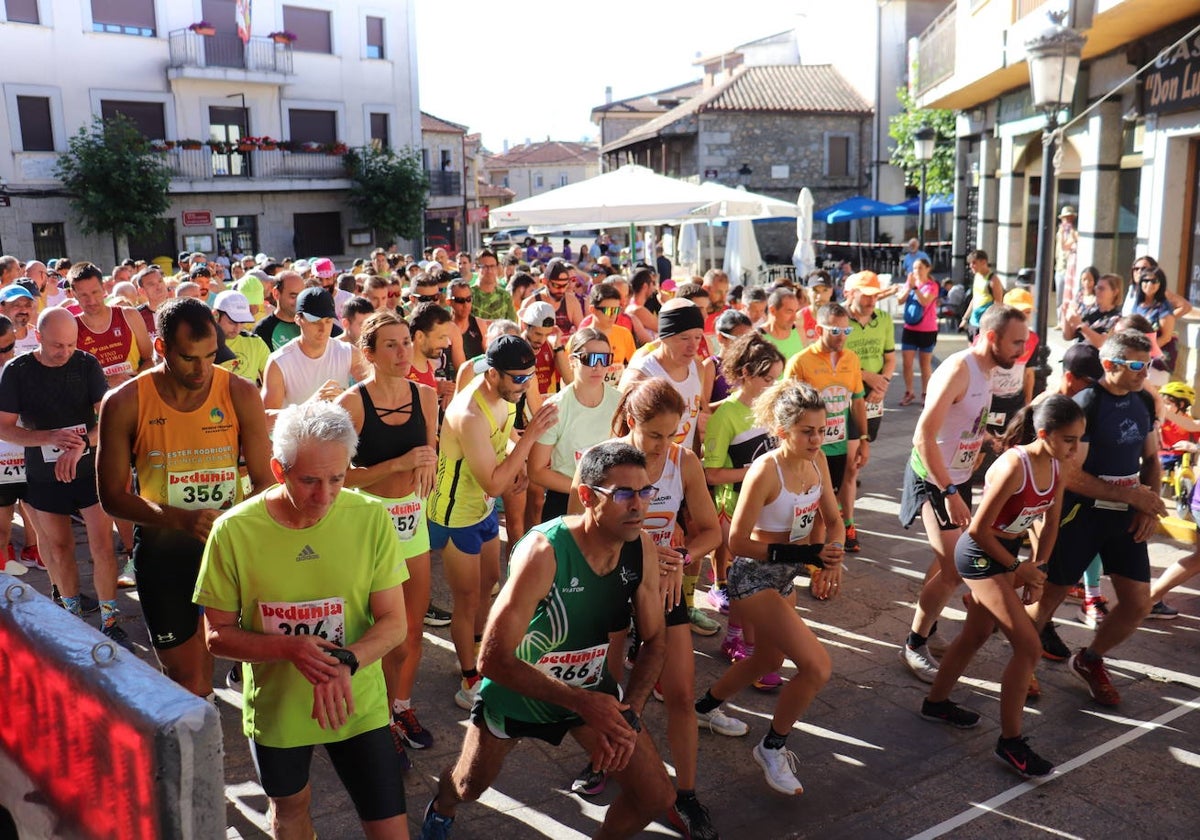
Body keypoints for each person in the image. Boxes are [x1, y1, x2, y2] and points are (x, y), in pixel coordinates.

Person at [420, 442, 674, 840]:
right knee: (469, 786)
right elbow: (492, 659)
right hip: (520, 693)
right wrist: (582, 701)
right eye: (624, 494)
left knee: (656, 796)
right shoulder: (545, 551)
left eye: (646, 492)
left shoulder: (640, 548)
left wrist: (629, 713)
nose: (639, 506)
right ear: (587, 497)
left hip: (591, 694)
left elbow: (656, 641)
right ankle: (442, 806)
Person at [195, 401, 411, 839]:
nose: (325, 495)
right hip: (279, 708)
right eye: (310, 480)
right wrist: (290, 648)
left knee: (390, 827)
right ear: (278, 470)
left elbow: (394, 622)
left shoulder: (370, 517)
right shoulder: (234, 531)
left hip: (357, 700)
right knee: (290, 810)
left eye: (338, 478)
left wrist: (347, 660)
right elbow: (216, 635)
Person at [566, 378, 725, 837]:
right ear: (632, 422)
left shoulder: (683, 460)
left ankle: (688, 795)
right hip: (612, 583)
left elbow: (711, 531)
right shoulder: (604, 458)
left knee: (679, 691)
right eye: (655, 435)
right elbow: (577, 525)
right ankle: (602, 762)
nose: (664, 445)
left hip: (664, 585)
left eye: (673, 434)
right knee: (608, 691)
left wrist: (683, 556)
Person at [96, 297, 272, 693]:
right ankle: (194, 721)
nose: (203, 369)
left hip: (225, 549)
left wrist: (226, 520)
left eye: (211, 356)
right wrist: (180, 518)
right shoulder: (124, 401)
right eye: (190, 358)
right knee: (181, 676)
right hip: (163, 553)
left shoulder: (240, 393)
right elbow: (110, 496)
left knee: (209, 655)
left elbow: (264, 481)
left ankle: (203, 717)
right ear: (161, 348)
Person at [694, 381, 844, 796]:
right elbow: (736, 542)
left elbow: (833, 519)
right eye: (807, 432)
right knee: (816, 667)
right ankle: (772, 747)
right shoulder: (766, 469)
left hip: (785, 576)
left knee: (765, 659)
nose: (817, 439)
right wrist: (803, 557)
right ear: (782, 431)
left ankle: (704, 709)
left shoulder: (818, 463)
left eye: (822, 429)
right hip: (753, 577)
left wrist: (833, 556)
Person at [921, 396, 1083, 778]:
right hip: (978, 554)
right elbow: (976, 530)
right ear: (1044, 434)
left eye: (1079, 440)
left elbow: (1052, 524)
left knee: (974, 635)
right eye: (1070, 440)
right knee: (1028, 645)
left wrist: (1038, 572)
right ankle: (1010, 743)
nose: (1076, 449)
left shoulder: (1058, 467)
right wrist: (1018, 569)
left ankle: (936, 702)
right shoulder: (1014, 464)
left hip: (1008, 555)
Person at [1029, 330, 1164, 706]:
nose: (1144, 371)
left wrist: (1148, 505)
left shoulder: (1143, 401)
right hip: (1081, 514)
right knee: (1049, 598)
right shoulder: (1087, 403)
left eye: (1147, 363)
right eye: (1137, 365)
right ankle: (1023, 663)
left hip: (1125, 516)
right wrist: (1129, 495)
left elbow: (1152, 459)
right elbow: (1071, 475)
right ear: (1110, 364)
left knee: (1138, 603)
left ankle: (1089, 660)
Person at [898, 305, 1030, 683]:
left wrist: (988, 442)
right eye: (1016, 342)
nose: (1022, 350)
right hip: (936, 479)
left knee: (945, 564)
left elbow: (965, 422)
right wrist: (950, 489)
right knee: (955, 568)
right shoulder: (959, 368)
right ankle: (914, 642)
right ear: (991, 337)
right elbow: (922, 435)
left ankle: (928, 624)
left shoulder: (987, 372)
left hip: (959, 478)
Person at [427, 335, 558, 710]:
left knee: (488, 585)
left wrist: (515, 463)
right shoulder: (469, 412)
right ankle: (468, 679)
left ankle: (477, 653)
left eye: (529, 377)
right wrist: (531, 437)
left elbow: (501, 458)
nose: (525, 385)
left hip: (482, 510)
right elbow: (494, 481)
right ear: (494, 373)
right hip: (456, 518)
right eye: (518, 378)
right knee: (467, 599)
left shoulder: (504, 395)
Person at [338, 312, 440, 763]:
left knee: (411, 629)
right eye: (391, 346)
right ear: (369, 354)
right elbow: (336, 479)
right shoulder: (352, 404)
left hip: (411, 520)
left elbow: (431, 450)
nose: (403, 354)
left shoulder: (428, 397)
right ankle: (376, 723)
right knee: (376, 631)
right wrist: (396, 467)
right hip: (368, 526)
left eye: (406, 343)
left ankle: (401, 707)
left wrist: (428, 464)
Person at [0, 308, 122, 641]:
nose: (65, 352)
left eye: (71, 344)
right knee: (59, 547)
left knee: (102, 546)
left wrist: (80, 445)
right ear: (37, 338)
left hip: (89, 468)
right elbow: (4, 427)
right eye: (57, 346)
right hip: (43, 474)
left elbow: (107, 419)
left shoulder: (86, 364)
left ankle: (110, 621)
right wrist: (47, 438)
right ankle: (73, 620)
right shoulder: (16, 371)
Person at [703, 334, 786, 684]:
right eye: (769, 379)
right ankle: (739, 640)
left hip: (769, 507)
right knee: (745, 581)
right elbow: (710, 472)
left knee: (758, 580)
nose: (775, 386)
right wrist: (754, 473)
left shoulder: (774, 409)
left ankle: (740, 634)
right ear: (748, 373)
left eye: (779, 378)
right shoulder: (725, 416)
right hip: (734, 508)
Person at [784, 302, 869, 559]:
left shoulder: (852, 359)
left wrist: (864, 439)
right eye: (835, 330)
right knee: (816, 502)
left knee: (840, 491)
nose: (842, 336)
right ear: (819, 328)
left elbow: (857, 400)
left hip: (842, 440)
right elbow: (786, 407)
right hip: (812, 444)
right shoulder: (799, 362)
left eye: (846, 331)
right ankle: (810, 554)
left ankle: (836, 540)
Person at [528, 329, 622, 522]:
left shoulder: (619, 402)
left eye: (604, 359)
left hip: (610, 499)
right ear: (572, 361)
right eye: (589, 358)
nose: (597, 366)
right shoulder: (555, 407)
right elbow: (536, 471)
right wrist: (585, 488)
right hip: (564, 499)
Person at [262, 288, 368, 418]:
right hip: (298, 437)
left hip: (338, 436)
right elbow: (265, 419)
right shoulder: (278, 362)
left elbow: (376, 394)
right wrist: (309, 407)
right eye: (315, 321)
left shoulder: (348, 353)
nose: (323, 329)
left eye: (328, 321)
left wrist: (348, 399)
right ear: (297, 319)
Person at [69, 262, 153, 390]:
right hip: (98, 406)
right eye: (84, 295)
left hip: (135, 398)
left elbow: (150, 359)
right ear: (74, 295)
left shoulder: (129, 315)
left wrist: (133, 384)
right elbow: (70, 378)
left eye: (95, 292)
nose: (91, 301)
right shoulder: (71, 328)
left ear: (103, 288)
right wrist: (106, 381)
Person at [843, 271, 896, 446]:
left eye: (875, 296)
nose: (872, 301)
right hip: (845, 391)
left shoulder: (884, 319)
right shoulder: (838, 319)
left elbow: (890, 358)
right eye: (866, 296)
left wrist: (882, 385)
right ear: (852, 294)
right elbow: (833, 359)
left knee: (865, 444)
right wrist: (867, 376)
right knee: (848, 448)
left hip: (874, 392)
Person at [898, 257, 939, 406]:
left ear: (928, 269)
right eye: (914, 268)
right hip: (910, 329)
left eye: (920, 267)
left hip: (927, 330)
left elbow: (925, 301)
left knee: (924, 364)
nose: (917, 271)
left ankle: (926, 393)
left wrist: (915, 288)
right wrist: (909, 287)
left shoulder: (932, 285)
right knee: (907, 363)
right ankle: (909, 392)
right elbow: (899, 300)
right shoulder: (909, 284)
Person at [214, 290, 270, 385]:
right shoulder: (201, 344)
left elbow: (271, 382)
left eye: (243, 322)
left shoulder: (256, 343)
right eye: (232, 322)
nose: (238, 328)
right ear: (216, 315)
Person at [1063, 273, 1123, 347]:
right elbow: (1068, 336)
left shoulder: (1116, 318)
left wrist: (1080, 325)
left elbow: (1102, 344)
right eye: (1096, 288)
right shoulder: (1091, 311)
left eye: (1101, 289)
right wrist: (1066, 315)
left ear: (1114, 292)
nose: (1097, 291)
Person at [963, 249, 1004, 341]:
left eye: (974, 263)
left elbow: (998, 304)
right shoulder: (977, 277)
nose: (971, 266)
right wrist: (965, 318)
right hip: (973, 322)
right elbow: (975, 298)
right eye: (970, 263)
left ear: (984, 262)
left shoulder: (993, 280)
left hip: (984, 324)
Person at [469, 249, 517, 322]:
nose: (489, 271)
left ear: (497, 267)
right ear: (476, 268)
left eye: (492, 266)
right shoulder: (468, 295)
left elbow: (512, 325)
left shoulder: (505, 296)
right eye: (484, 266)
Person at [1054, 206, 1079, 323]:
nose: (1067, 221)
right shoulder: (1060, 233)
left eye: (1069, 218)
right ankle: (1060, 320)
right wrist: (1063, 232)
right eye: (1065, 218)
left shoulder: (1075, 232)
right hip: (1060, 267)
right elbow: (1062, 247)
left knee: (1070, 295)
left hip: (1071, 269)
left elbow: (1069, 245)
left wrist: (1072, 233)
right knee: (1060, 296)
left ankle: (1067, 320)